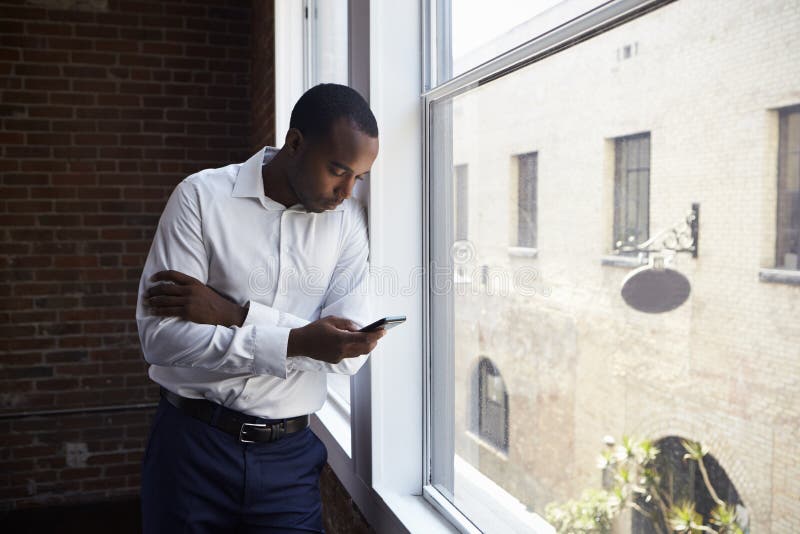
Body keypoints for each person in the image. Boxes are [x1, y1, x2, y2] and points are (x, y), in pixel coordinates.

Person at [135, 83, 385, 533]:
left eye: (359, 178)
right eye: (338, 170)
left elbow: (349, 353)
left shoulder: (346, 224)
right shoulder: (199, 198)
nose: (347, 192)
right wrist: (300, 340)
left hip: (289, 462)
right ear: (295, 143)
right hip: (192, 449)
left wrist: (236, 315)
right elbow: (163, 340)